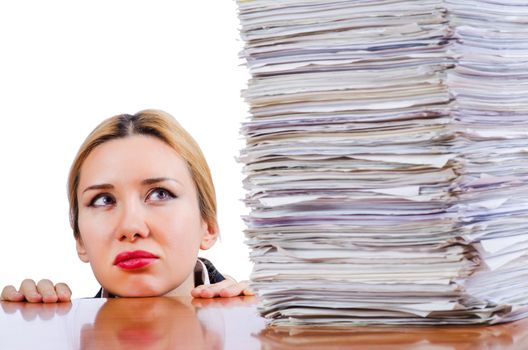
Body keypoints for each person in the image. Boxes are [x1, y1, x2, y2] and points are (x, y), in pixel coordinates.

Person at [1, 110, 252, 302]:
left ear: (207, 226)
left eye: (160, 194)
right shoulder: (52, 333)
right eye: (103, 200)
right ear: (79, 239)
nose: (130, 226)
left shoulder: (264, 324)